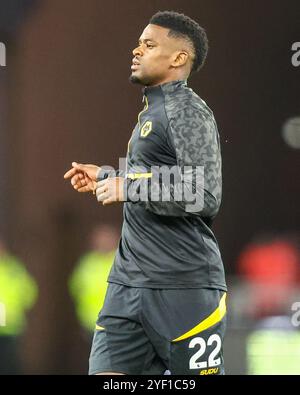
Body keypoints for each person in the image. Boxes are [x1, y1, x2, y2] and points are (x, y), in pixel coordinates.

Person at [64, 10, 227, 375]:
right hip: (128, 283)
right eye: (139, 43)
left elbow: (204, 191)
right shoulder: (150, 112)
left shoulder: (187, 110)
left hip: (183, 286)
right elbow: (153, 178)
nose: (136, 50)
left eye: (149, 44)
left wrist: (127, 185)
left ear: (178, 58)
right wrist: (107, 175)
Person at [69, 224, 118, 333]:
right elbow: (75, 288)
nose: (103, 244)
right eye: (100, 240)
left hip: (119, 320)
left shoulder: (123, 261)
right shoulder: (87, 263)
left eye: (107, 239)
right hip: (92, 321)